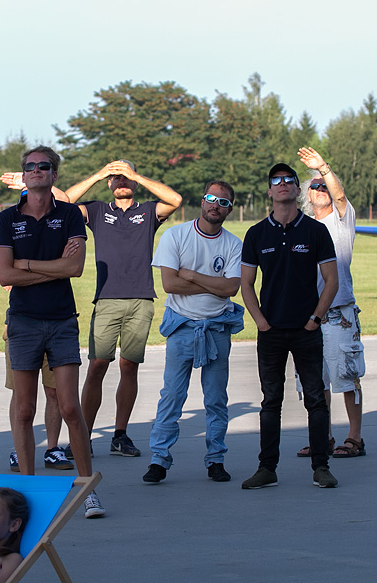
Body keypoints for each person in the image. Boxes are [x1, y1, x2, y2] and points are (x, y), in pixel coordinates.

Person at [0, 146, 105, 519]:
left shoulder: (70, 214)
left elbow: (75, 268)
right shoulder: (9, 218)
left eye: (44, 166)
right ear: (23, 177)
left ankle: (88, 489)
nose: (37, 171)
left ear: (54, 176)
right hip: (23, 320)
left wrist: (27, 264)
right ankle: (27, 491)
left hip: (61, 320)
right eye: (30, 167)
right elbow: (5, 275)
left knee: (71, 407)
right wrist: (50, 267)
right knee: (24, 410)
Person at [63, 159, 182, 458]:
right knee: (97, 367)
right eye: (115, 178)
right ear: (108, 184)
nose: (121, 182)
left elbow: (175, 200)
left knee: (129, 367)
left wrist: (136, 175)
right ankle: (84, 437)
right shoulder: (98, 210)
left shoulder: (148, 211)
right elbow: (62, 202)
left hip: (141, 298)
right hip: (106, 299)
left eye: (124, 177)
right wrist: (100, 173)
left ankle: (120, 435)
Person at [239, 162, 339, 490]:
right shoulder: (256, 234)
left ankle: (321, 466)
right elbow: (247, 284)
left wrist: (315, 319)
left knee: (315, 398)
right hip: (271, 332)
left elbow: (331, 281)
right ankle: (267, 468)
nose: (283, 185)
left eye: (289, 181)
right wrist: (260, 321)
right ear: (269, 191)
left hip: (306, 330)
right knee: (271, 401)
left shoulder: (315, 231)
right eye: (276, 181)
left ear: (297, 190)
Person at [143, 181, 244, 485]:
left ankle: (216, 459)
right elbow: (170, 284)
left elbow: (232, 288)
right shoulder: (175, 235)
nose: (216, 206)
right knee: (172, 395)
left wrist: (191, 275)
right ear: (202, 201)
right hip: (182, 326)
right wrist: (212, 284)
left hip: (217, 328)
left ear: (229, 209)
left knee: (215, 399)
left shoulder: (233, 244)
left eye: (223, 202)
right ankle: (159, 459)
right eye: (212, 199)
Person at [298, 148, 368, 462]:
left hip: (338, 314)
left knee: (347, 377)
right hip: (306, 316)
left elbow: (339, 197)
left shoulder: (341, 221)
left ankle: (355, 437)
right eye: (315, 186)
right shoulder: (300, 226)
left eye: (324, 185)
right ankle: (322, 437)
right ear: (306, 195)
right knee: (314, 381)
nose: (321, 189)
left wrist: (323, 168)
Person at [0, 248, 72, 473]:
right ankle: (19, 449)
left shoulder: (57, 235)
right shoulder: (13, 239)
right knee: (21, 395)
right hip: (21, 325)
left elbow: (71, 268)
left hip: (55, 321)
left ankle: (52, 449)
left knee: (54, 391)